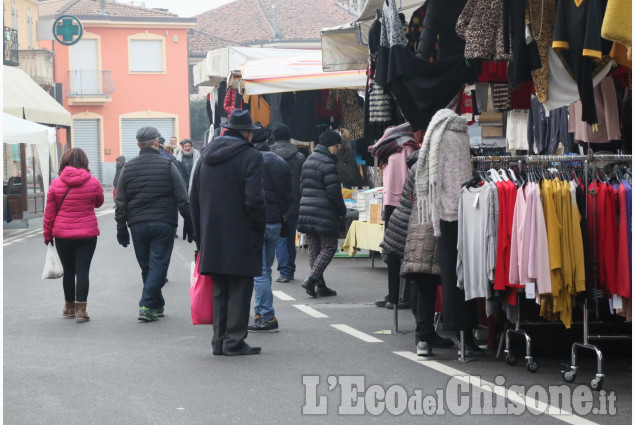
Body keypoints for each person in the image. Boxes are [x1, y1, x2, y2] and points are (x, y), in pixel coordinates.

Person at [190, 110, 266, 356]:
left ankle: (218, 341)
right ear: (246, 133)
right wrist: (258, 227)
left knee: (220, 289)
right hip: (241, 233)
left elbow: (194, 198)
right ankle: (234, 341)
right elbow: (254, 200)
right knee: (240, 289)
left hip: (211, 234)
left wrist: (200, 235)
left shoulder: (204, 157)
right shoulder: (250, 156)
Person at [115, 126, 194, 322]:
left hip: (137, 224)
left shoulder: (128, 167)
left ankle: (154, 304)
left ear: (138, 144)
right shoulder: (168, 165)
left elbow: (121, 201)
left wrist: (121, 226)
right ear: (157, 143)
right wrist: (190, 221)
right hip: (163, 222)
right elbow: (182, 197)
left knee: (147, 267)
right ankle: (148, 304)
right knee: (158, 265)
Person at [43, 148, 104, 323]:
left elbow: (49, 214)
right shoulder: (93, 182)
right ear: (85, 162)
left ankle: (69, 307)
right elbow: (99, 202)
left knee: (69, 271)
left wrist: (47, 235)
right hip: (87, 234)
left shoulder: (56, 183)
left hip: (62, 235)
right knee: (83, 271)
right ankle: (81, 312)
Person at [248, 137, 292, 332]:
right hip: (275, 221)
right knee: (266, 268)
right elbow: (290, 195)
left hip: (257, 222)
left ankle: (267, 315)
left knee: (259, 271)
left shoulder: (250, 161)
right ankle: (259, 312)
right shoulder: (280, 162)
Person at [298, 129, 346, 298]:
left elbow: (302, 187)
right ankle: (312, 280)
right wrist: (342, 211)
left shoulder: (308, 160)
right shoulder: (328, 163)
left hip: (306, 209)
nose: (338, 149)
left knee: (315, 248)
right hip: (323, 211)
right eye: (337, 146)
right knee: (329, 246)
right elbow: (334, 192)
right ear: (330, 146)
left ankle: (320, 286)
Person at [270, 123, 305, 283]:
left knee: (280, 238)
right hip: (293, 202)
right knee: (290, 237)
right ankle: (289, 269)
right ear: (289, 137)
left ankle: (284, 271)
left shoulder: (268, 155)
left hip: (273, 202)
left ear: (274, 137)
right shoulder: (298, 156)